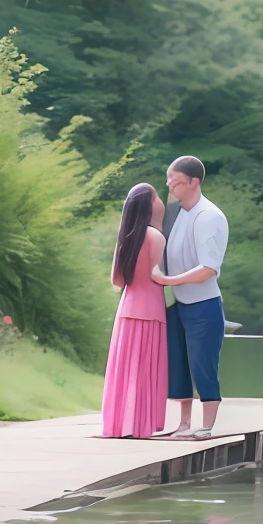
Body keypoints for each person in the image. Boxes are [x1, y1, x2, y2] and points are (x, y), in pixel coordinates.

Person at [155, 155, 230, 439]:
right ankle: (184, 423)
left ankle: (207, 425)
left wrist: (168, 281)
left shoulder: (208, 215)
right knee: (179, 363)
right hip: (179, 302)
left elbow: (209, 268)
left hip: (203, 304)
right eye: (169, 181)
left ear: (193, 181)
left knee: (202, 363)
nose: (169, 187)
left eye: (174, 182)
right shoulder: (179, 213)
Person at [101, 183, 168, 438]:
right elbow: (160, 276)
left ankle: (119, 424)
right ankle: (141, 425)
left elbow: (117, 281)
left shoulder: (126, 237)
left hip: (127, 309)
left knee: (124, 369)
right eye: (157, 197)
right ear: (150, 206)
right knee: (144, 370)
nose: (161, 202)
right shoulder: (156, 237)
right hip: (151, 310)